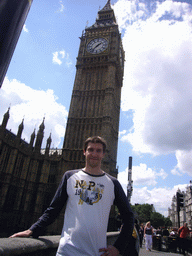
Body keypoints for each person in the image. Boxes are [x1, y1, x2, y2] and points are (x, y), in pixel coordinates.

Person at [10, 136, 134, 256]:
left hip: (97, 252)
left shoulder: (112, 183)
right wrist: (32, 230)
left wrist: (119, 247)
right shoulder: (70, 177)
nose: (94, 154)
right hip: (67, 251)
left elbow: (128, 217)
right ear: (84, 152)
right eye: (90, 150)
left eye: (98, 150)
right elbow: (54, 209)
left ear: (103, 154)